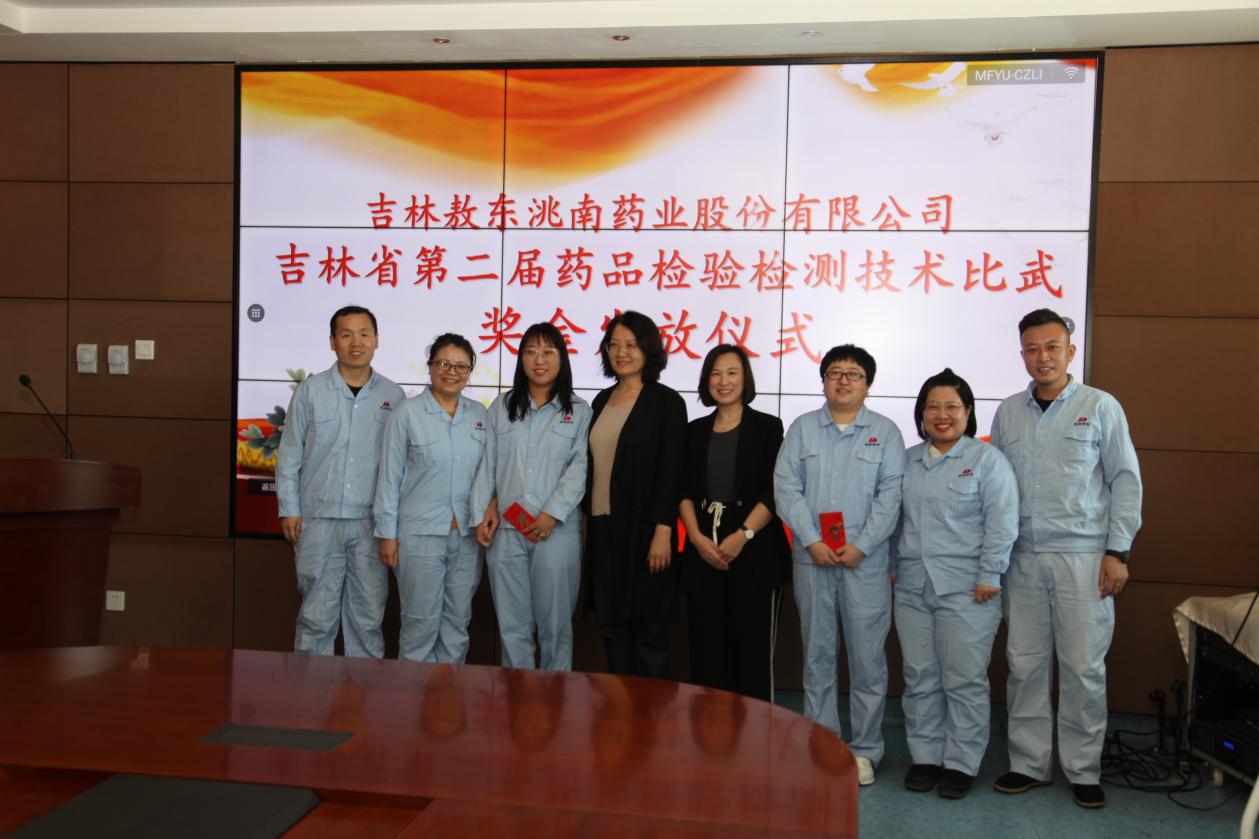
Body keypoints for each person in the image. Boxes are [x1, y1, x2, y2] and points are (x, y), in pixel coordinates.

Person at [990, 308, 1142, 809]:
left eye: (1052, 347)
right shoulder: (1007, 412)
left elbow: (1125, 481)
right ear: (1022, 354)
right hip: (1022, 557)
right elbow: (997, 487)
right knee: (1024, 665)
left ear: (1070, 351)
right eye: (1032, 349)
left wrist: (1117, 551)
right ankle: (1028, 763)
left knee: (1082, 666)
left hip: (1085, 557)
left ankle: (1083, 769)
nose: (1043, 357)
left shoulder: (1100, 406)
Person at [773, 344, 906, 787]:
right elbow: (785, 487)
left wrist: (863, 545)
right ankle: (822, 743)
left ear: (868, 384)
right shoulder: (802, 429)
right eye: (835, 373)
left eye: (854, 374)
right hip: (812, 560)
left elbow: (891, 496)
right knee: (818, 655)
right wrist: (811, 540)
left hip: (864, 564)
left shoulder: (886, 432)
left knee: (868, 660)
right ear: (823, 381)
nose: (843, 381)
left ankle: (866, 750)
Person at [893, 368, 1018, 800]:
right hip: (912, 586)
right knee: (919, 675)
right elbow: (893, 519)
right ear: (921, 414)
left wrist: (990, 574)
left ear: (968, 412)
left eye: (951, 406)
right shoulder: (906, 460)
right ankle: (926, 757)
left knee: (963, 679)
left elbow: (1002, 522)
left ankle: (961, 763)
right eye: (933, 407)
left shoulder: (987, 460)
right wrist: (892, 565)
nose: (941, 415)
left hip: (968, 589)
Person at [276, 305, 405, 658]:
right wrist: (289, 508)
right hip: (318, 519)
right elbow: (290, 454)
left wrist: (391, 523)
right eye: (346, 334)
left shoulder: (393, 396)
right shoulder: (311, 391)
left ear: (377, 340)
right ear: (332, 341)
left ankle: (364, 691)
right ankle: (309, 688)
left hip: (369, 523)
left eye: (364, 334)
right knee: (316, 616)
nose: (355, 342)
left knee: (368, 617)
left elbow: (398, 467)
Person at [471, 322, 592, 671]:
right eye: (531, 352)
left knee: (555, 627)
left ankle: (556, 696)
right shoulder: (502, 407)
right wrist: (482, 512)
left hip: (555, 531)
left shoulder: (578, 410)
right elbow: (488, 465)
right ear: (521, 358)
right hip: (507, 531)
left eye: (548, 352)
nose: (539, 360)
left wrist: (552, 513)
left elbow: (580, 469)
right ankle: (517, 696)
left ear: (562, 358)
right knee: (512, 627)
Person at [678, 344, 790, 701]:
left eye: (732, 373)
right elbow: (682, 490)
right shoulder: (694, 431)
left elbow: (774, 491)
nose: (723, 381)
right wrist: (696, 538)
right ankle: (710, 733)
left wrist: (743, 535)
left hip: (756, 555)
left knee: (752, 658)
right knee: (708, 656)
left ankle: (755, 734)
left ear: (746, 379)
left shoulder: (768, 427)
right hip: (703, 554)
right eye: (715, 373)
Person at [373, 333, 487, 664]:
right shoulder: (406, 413)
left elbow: (488, 474)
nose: (452, 372)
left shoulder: (479, 415)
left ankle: (448, 695)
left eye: (461, 366)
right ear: (431, 366)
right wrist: (387, 534)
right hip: (419, 536)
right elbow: (389, 477)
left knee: (457, 625)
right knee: (419, 625)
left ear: (470, 372)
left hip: (466, 537)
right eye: (444, 363)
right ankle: (411, 694)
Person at [585, 310, 687, 679]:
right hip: (603, 529)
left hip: (646, 531)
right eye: (613, 345)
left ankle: (653, 712)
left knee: (648, 631)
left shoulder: (666, 402)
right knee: (612, 626)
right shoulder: (601, 401)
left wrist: (663, 530)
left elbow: (671, 470)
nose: (621, 352)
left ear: (648, 349)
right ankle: (619, 709)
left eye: (630, 344)